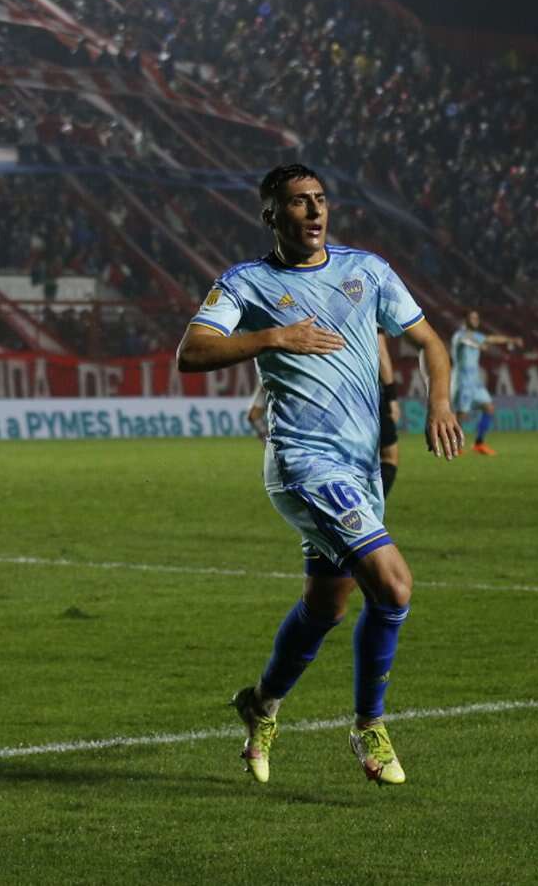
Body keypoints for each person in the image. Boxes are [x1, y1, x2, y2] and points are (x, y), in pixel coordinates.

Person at [176, 163, 462, 786]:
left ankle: (261, 704)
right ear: (271, 215)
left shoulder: (368, 271)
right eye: (298, 202)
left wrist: (439, 404)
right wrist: (273, 337)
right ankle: (369, 725)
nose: (313, 211)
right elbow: (191, 353)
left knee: (327, 605)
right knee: (394, 586)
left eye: (320, 200)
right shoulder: (245, 283)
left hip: (359, 468)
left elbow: (431, 343)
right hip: (302, 463)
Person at [450, 310, 523, 455]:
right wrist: (479, 345)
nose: (476, 320)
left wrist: (511, 340)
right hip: (462, 381)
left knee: (489, 408)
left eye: (477, 318)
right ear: (465, 320)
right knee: (462, 415)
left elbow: (492, 339)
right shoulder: (459, 335)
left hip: (475, 382)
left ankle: (479, 443)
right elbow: (467, 341)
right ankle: (455, 446)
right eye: (472, 318)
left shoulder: (477, 336)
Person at [377, 331, 400, 496]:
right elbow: (381, 352)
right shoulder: (367, 315)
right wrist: (391, 397)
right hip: (366, 393)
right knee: (389, 456)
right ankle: (367, 509)